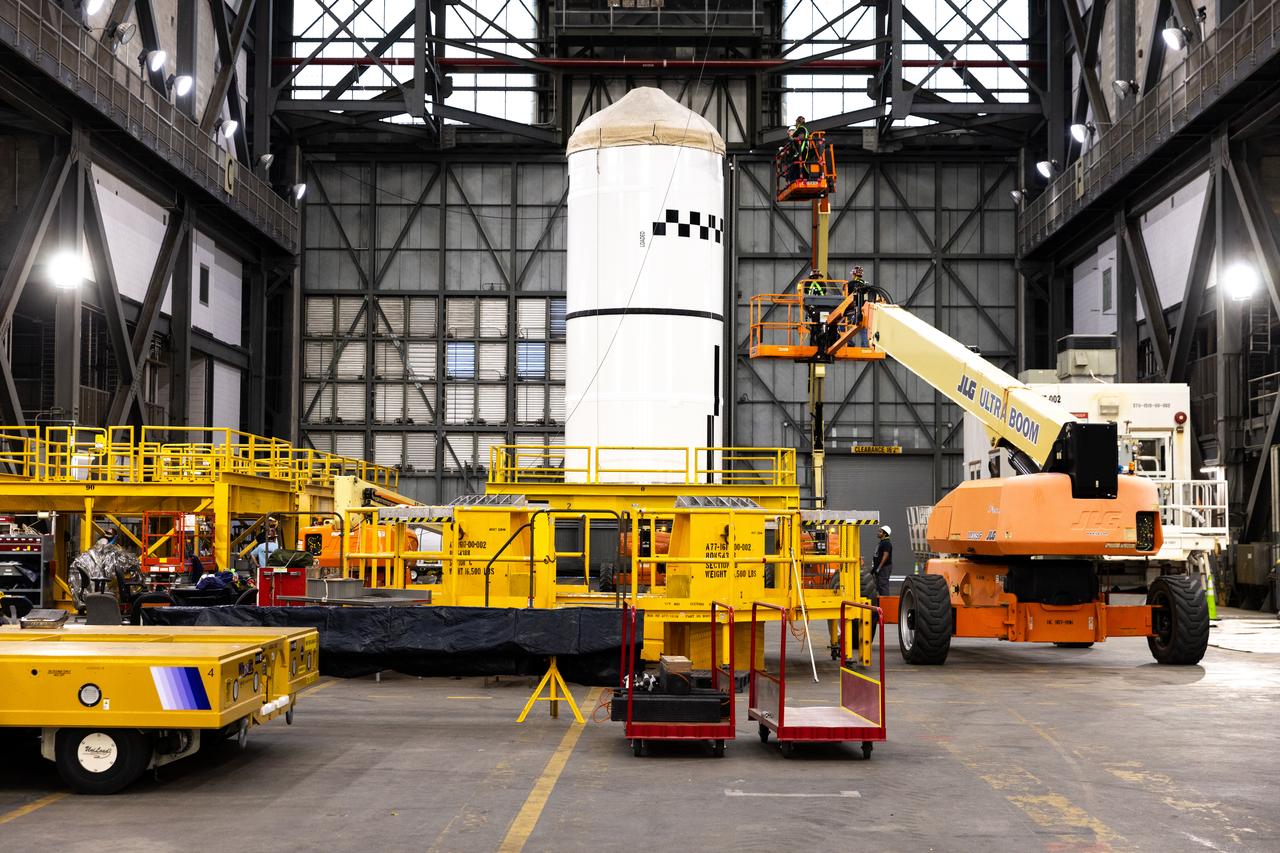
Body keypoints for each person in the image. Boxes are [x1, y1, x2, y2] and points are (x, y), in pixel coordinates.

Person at [872, 525, 893, 597]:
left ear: (884, 534)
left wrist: (879, 567)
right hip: (880, 567)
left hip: (884, 568)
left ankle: (886, 604)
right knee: (879, 586)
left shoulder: (886, 543)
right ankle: (881, 603)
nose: (878, 533)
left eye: (880, 532)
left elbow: (885, 555)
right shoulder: (882, 542)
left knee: (883, 585)